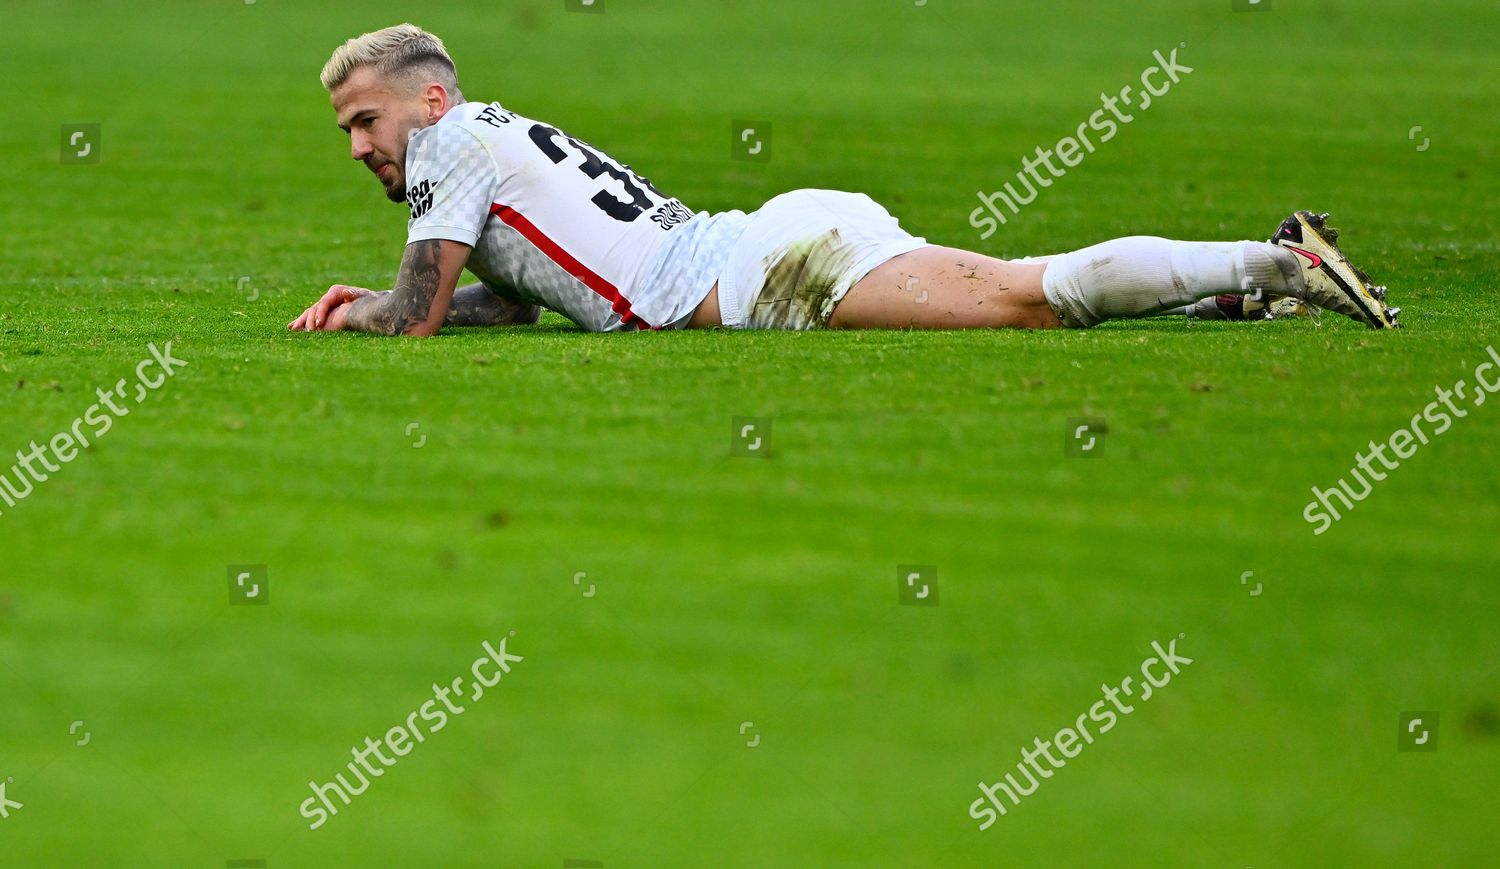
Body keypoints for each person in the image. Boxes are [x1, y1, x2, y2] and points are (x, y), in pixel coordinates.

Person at [289, 24, 1399, 337]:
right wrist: (398, 299)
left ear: (428, 102)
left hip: (768, 268)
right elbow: (518, 293)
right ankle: (1235, 290)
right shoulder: (486, 141)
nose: (358, 148)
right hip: (775, 237)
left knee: (1023, 294)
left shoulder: (448, 149)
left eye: (365, 120)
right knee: (1011, 294)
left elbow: (417, 318)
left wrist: (363, 313)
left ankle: (1281, 259)